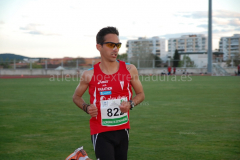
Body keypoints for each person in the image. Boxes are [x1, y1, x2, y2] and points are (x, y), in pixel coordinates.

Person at [72, 26, 145, 160]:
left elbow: (140, 94)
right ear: (99, 47)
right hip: (100, 130)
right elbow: (76, 97)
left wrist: (131, 104)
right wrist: (86, 107)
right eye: (111, 45)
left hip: (123, 129)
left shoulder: (130, 69)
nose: (115, 49)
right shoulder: (89, 74)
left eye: (118, 45)